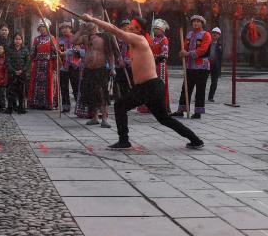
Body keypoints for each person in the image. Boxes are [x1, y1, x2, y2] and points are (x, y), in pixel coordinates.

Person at [80, 14, 204, 151]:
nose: (128, 28)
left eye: (131, 27)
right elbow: (113, 32)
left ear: (138, 30)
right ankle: (195, 140)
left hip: (149, 86)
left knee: (120, 105)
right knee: (164, 119)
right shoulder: (137, 41)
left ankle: (124, 141)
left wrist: (92, 19)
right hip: (151, 86)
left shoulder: (138, 39)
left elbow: (114, 29)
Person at [74, 21, 117, 127]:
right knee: (91, 94)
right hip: (88, 70)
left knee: (102, 94)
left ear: (96, 24)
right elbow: (73, 40)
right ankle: (95, 118)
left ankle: (105, 119)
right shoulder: (85, 37)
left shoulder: (105, 37)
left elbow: (110, 54)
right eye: (88, 24)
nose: (89, 25)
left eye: (91, 23)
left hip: (101, 69)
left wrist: (112, 68)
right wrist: (80, 29)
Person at [177, 15, 211, 118]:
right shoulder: (189, 35)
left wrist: (188, 54)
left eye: (198, 21)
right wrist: (182, 52)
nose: (195, 23)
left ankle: (198, 112)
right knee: (186, 88)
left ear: (202, 23)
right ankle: (181, 110)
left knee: (200, 89)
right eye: (194, 21)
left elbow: (202, 50)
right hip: (189, 66)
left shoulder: (206, 35)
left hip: (202, 67)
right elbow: (185, 47)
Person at [139, 19, 170, 113]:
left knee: (160, 86)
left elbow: (164, 54)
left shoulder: (164, 40)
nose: (156, 30)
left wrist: (154, 57)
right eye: (155, 29)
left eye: (158, 29)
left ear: (162, 30)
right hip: (152, 65)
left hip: (160, 66)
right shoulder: (153, 39)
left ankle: (162, 106)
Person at [28, 18, 58, 110]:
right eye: (40, 27)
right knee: (36, 83)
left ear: (48, 28)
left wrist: (54, 50)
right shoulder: (36, 39)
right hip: (38, 65)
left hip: (48, 64)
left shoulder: (52, 38)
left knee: (49, 83)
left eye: (44, 27)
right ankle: (36, 103)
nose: (42, 29)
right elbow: (33, 52)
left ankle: (48, 103)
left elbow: (56, 54)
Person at [57, 22, 81, 114]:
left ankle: (78, 106)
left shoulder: (76, 38)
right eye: (62, 28)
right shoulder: (60, 40)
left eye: (66, 27)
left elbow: (77, 51)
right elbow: (60, 53)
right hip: (64, 66)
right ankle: (66, 105)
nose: (64, 29)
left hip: (75, 65)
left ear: (71, 29)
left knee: (76, 87)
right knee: (64, 87)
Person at [6, 33, 30, 114]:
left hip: (22, 74)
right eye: (16, 39)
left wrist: (22, 70)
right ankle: (10, 107)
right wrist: (13, 71)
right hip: (12, 74)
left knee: (21, 92)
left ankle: (21, 107)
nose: (18, 41)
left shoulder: (25, 50)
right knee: (11, 91)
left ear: (22, 40)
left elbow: (27, 62)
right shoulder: (9, 49)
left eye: (19, 39)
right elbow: (7, 62)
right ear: (13, 40)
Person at [114, 18, 133, 100]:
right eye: (124, 26)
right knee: (120, 84)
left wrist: (127, 61)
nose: (126, 28)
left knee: (131, 84)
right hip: (118, 65)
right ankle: (122, 100)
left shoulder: (133, 38)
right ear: (120, 28)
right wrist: (118, 59)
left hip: (130, 65)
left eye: (128, 26)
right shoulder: (116, 38)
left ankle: (131, 99)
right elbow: (113, 50)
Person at [207, 27, 224, 102]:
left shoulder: (220, 45)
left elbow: (220, 58)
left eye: (217, 34)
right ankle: (199, 96)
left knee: (214, 82)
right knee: (202, 81)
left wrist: (219, 69)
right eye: (213, 33)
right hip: (206, 64)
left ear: (219, 35)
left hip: (215, 66)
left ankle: (211, 97)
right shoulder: (207, 43)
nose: (215, 35)